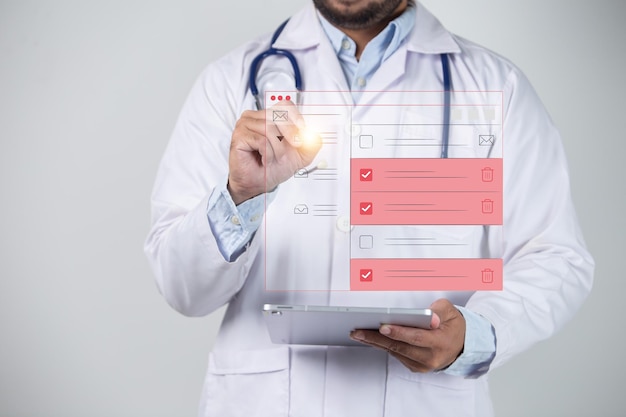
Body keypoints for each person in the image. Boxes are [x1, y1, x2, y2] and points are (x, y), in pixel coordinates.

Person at [144, 1, 594, 416]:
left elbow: (554, 256)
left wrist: (473, 336)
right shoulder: (232, 82)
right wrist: (238, 196)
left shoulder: (497, 88)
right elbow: (183, 288)